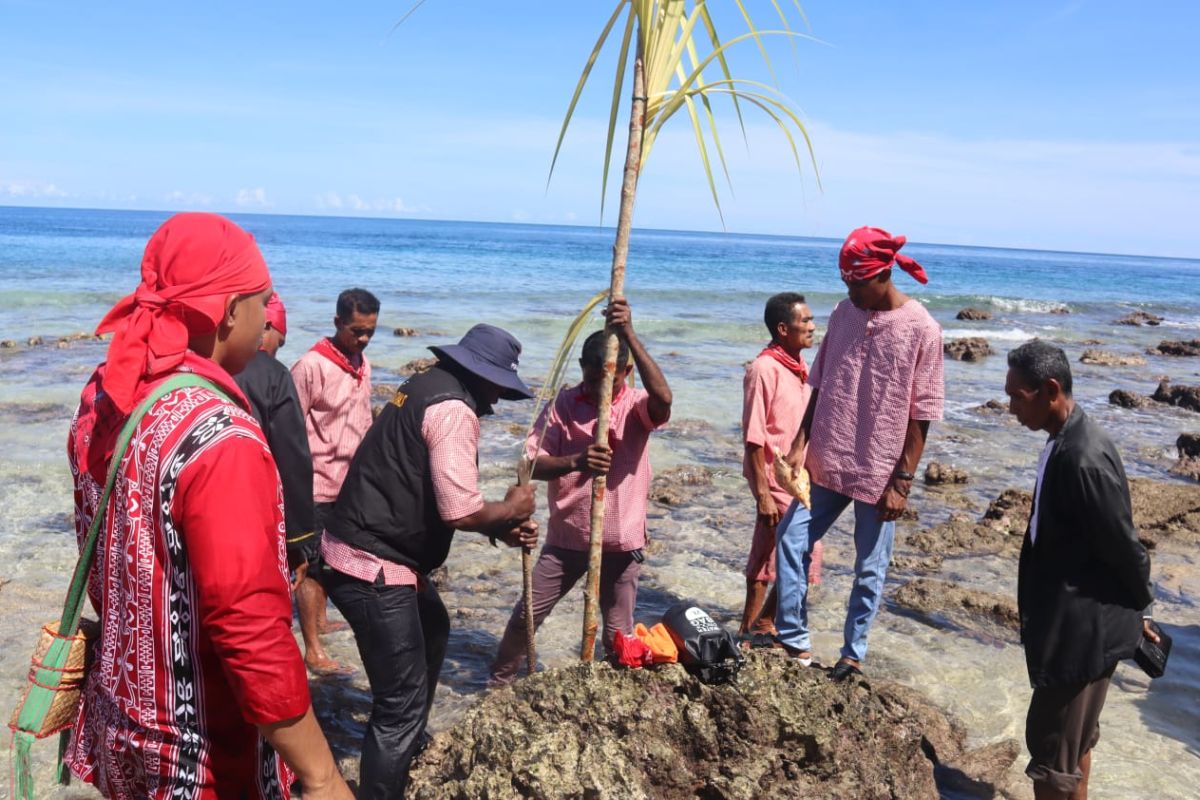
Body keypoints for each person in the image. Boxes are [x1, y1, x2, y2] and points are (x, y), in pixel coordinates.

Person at [66, 213, 351, 799]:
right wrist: (322, 775)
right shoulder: (220, 437)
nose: (268, 315)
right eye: (262, 300)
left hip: (120, 724)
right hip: (198, 757)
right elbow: (250, 629)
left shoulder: (107, 393)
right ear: (228, 312)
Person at [321, 323, 540, 799]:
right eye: (499, 387)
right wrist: (513, 510)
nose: (499, 400)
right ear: (481, 375)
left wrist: (501, 526)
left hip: (357, 547)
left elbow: (420, 487)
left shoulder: (419, 386)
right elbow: (460, 511)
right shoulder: (454, 410)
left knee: (435, 627)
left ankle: (408, 748)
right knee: (396, 705)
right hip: (373, 564)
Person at [777, 226, 944, 680]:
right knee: (790, 539)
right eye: (845, 281)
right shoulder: (843, 312)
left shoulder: (923, 330)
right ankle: (794, 641)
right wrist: (798, 443)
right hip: (828, 458)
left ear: (883, 275)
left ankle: (852, 655)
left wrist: (903, 482)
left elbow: (922, 411)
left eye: (856, 282)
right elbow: (821, 379)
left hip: (881, 469)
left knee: (869, 568)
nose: (848, 290)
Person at [490, 298, 672, 684]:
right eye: (591, 381)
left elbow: (664, 400)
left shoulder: (636, 405)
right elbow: (529, 463)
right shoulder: (565, 404)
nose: (599, 389)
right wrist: (577, 462)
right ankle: (499, 685)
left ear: (624, 371)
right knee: (527, 616)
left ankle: (612, 690)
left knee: (616, 632)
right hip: (567, 537)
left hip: (622, 541)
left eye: (609, 381)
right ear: (581, 371)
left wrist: (630, 336)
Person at [1004, 340, 1155, 800]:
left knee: (1051, 754)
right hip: (1074, 622)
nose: (1010, 407)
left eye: (1017, 396)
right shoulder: (1064, 439)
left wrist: (1143, 607)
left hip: (1082, 631)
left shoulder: (1082, 457)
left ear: (1051, 390)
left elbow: (1124, 546)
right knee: (1075, 743)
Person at [290, 287, 379, 675]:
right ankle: (312, 649)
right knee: (309, 566)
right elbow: (289, 428)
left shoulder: (364, 363)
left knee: (331, 559)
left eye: (370, 332)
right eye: (356, 331)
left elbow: (364, 419)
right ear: (338, 322)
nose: (362, 339)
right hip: (314, 485)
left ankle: (322, 622)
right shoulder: (310, 366)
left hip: (350, 485)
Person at [738, 292, 818, 647]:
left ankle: (756, 626)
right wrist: (762, 495)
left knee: (790, 552)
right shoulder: (763, 369)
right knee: (786, 553)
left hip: (797, 480)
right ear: (783, 328)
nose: (813, 327)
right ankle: (757, 626)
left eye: (812, 320)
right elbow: (754, 436)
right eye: (805, 321)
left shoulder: (801, 368)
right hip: (773, 478)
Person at [233, 292, 317, 589]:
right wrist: (297, 539)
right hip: (254, 512)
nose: (276, 352)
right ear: (264, 326)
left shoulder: (202, 364)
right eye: (279, 343)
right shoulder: (273, 375)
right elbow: (292, 458)